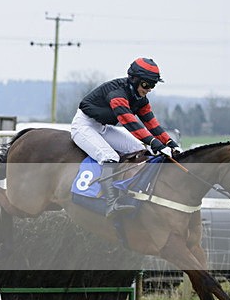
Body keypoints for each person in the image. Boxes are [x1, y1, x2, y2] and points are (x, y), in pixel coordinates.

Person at [70, 57, 182, 218]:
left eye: (153, 85)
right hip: (83, 126)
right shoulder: (117, 94)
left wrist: (170, 143)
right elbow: (130, 123)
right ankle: (110, 204)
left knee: (139, 149)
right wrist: (156, 145)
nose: (149, 89)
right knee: (110, 157)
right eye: (146, 84)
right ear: (134, 79)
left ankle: (130, 191)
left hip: (102, 127)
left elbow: (152, 124)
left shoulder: (140, 99)